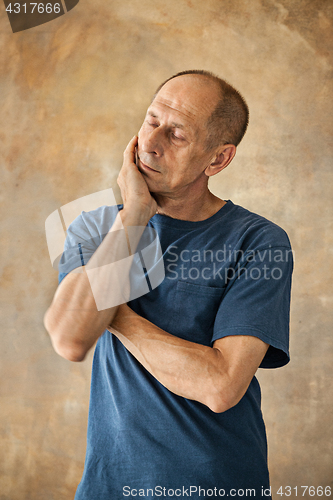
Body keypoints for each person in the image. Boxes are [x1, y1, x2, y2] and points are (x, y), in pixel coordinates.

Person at [44, 70, 293, 499]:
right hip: (109, 487)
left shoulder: (259, 242)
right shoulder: (96, 226)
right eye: (151, 119)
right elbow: (70, 337)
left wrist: (112, 310)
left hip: (217, 486)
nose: (151, 142)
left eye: (176, 133)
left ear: (217, 159)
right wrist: (136, 215)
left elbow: (221, 386)